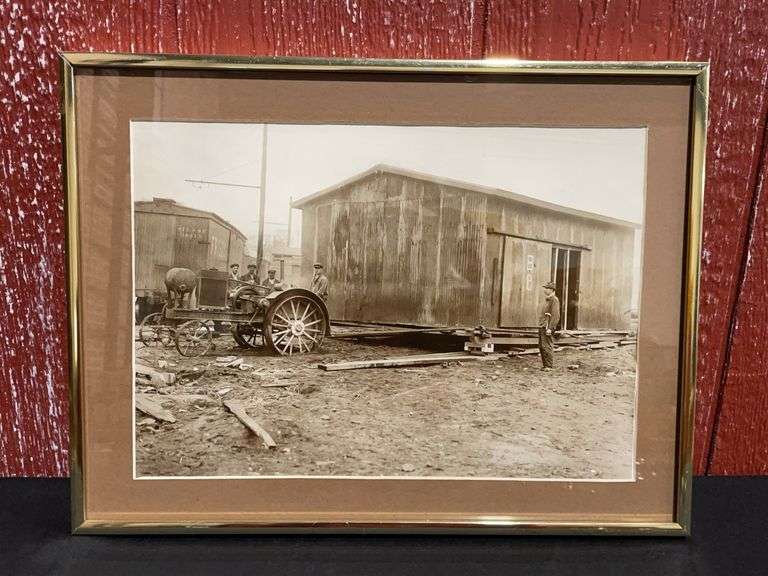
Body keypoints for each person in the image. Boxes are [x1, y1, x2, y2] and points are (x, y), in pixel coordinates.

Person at [538, 281, 561, 371]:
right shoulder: (547, 299)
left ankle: (549, 366)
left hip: (547, 327)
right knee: (542, 346)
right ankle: (545, 365)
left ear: (551, 290)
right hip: (543, 326)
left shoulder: (554, 300)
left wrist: (551, 328)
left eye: (547, 288)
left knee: (547, 345)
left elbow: (555, 315)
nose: (545, 290)